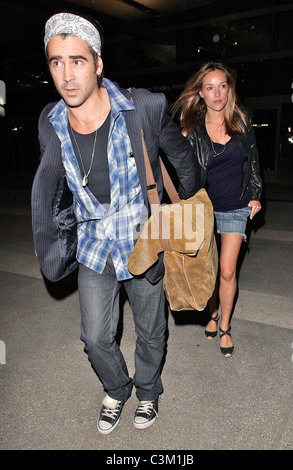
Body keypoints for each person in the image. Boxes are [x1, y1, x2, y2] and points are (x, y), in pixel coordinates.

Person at [31, 12, 201, 434]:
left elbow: (182, 161)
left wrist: (193, 204)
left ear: (98, 63)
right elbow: (52, 187)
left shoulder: (142, 106)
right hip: (92, 244)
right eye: (56, 62)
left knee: (150, 330)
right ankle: (118, 387)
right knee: (95, 338)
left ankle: (147, 390)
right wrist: (51, 235)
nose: (67, 75)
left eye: (77, 61)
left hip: (141, 239)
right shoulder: (49, 122)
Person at [172, 61, 262, 357]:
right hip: (205, 208)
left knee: (226, 270)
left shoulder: (242, 118)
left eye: (222, 86)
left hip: (237, 204)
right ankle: (211, 313)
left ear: (229, 88)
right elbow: (183, 168)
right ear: (200, 93)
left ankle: (224, 326)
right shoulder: (192, 127)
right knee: (207, 271)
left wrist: (256, 194)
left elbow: (253, 160)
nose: (217, 93)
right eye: (209, 88)